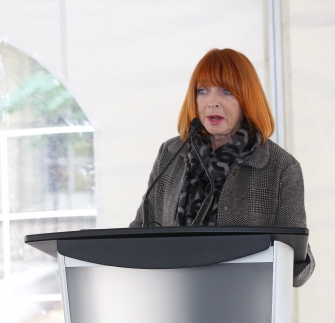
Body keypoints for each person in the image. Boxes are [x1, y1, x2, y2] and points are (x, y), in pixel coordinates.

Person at [129, 48, 314, 286]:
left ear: (247, 99)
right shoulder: (171, 153)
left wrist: (290, 259)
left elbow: (297, 270)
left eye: (226, 92)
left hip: (244, 308)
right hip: (172, 302)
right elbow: (138, 233)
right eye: (202, 91)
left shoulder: (281, 168)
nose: (212, 102)